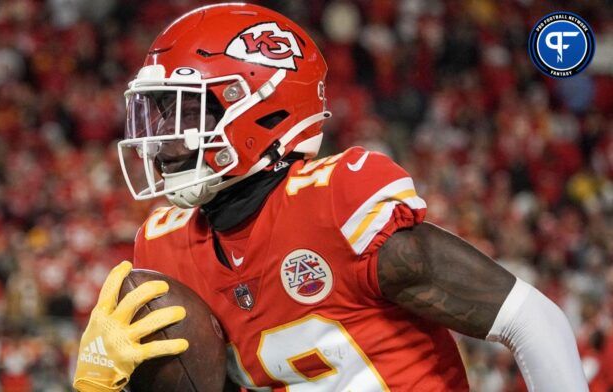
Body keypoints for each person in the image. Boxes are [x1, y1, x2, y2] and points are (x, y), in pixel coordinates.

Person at [72, 3, 587, 391]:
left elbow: (531, 320)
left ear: (262, 109)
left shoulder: (335, 205)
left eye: (183, 112)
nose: (161, 137)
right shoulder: (166, 251)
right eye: (157, 113)